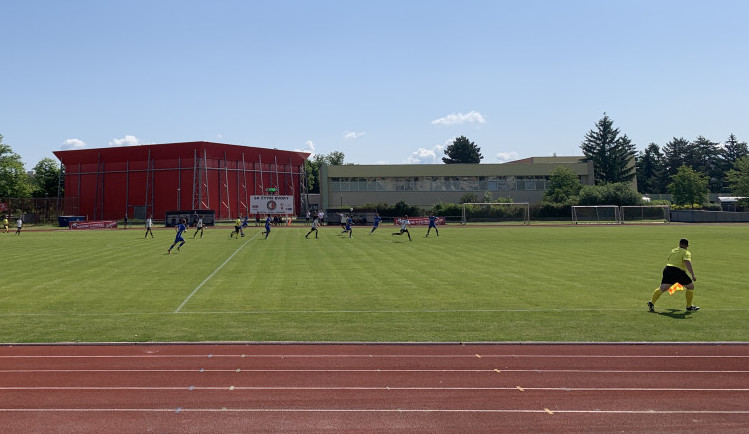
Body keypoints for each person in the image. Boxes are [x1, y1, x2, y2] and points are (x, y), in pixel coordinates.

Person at [648, 238, 699, 312]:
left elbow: (669, 259)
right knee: (690, 286)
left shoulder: (673, 250)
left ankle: (651, 302)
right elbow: (687, 262)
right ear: (687, 245)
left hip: (667, 269)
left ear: (679, 244)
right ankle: (689, 306)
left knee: (663, 288)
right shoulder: (686, 252)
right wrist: (693, 274)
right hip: (677, 271)